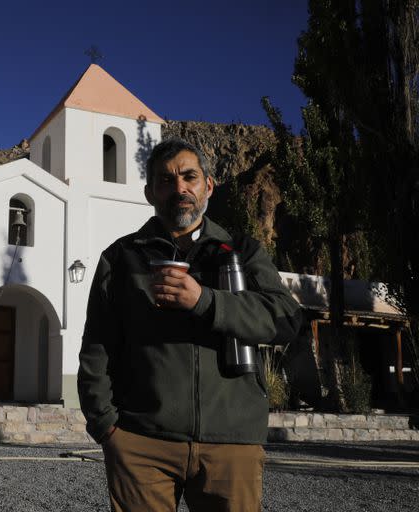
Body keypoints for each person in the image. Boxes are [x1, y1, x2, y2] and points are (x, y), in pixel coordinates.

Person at [78, 138, 302, 512]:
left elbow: (286, 319)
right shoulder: (121, 258)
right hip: (140, 443)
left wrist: (205, 301)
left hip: (231, 444)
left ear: (208, 185)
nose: (179, 188)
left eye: (189, 177)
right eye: (165, 180)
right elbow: (97, 347)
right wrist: (108, 428)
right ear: (150, 192)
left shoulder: (240, 252)